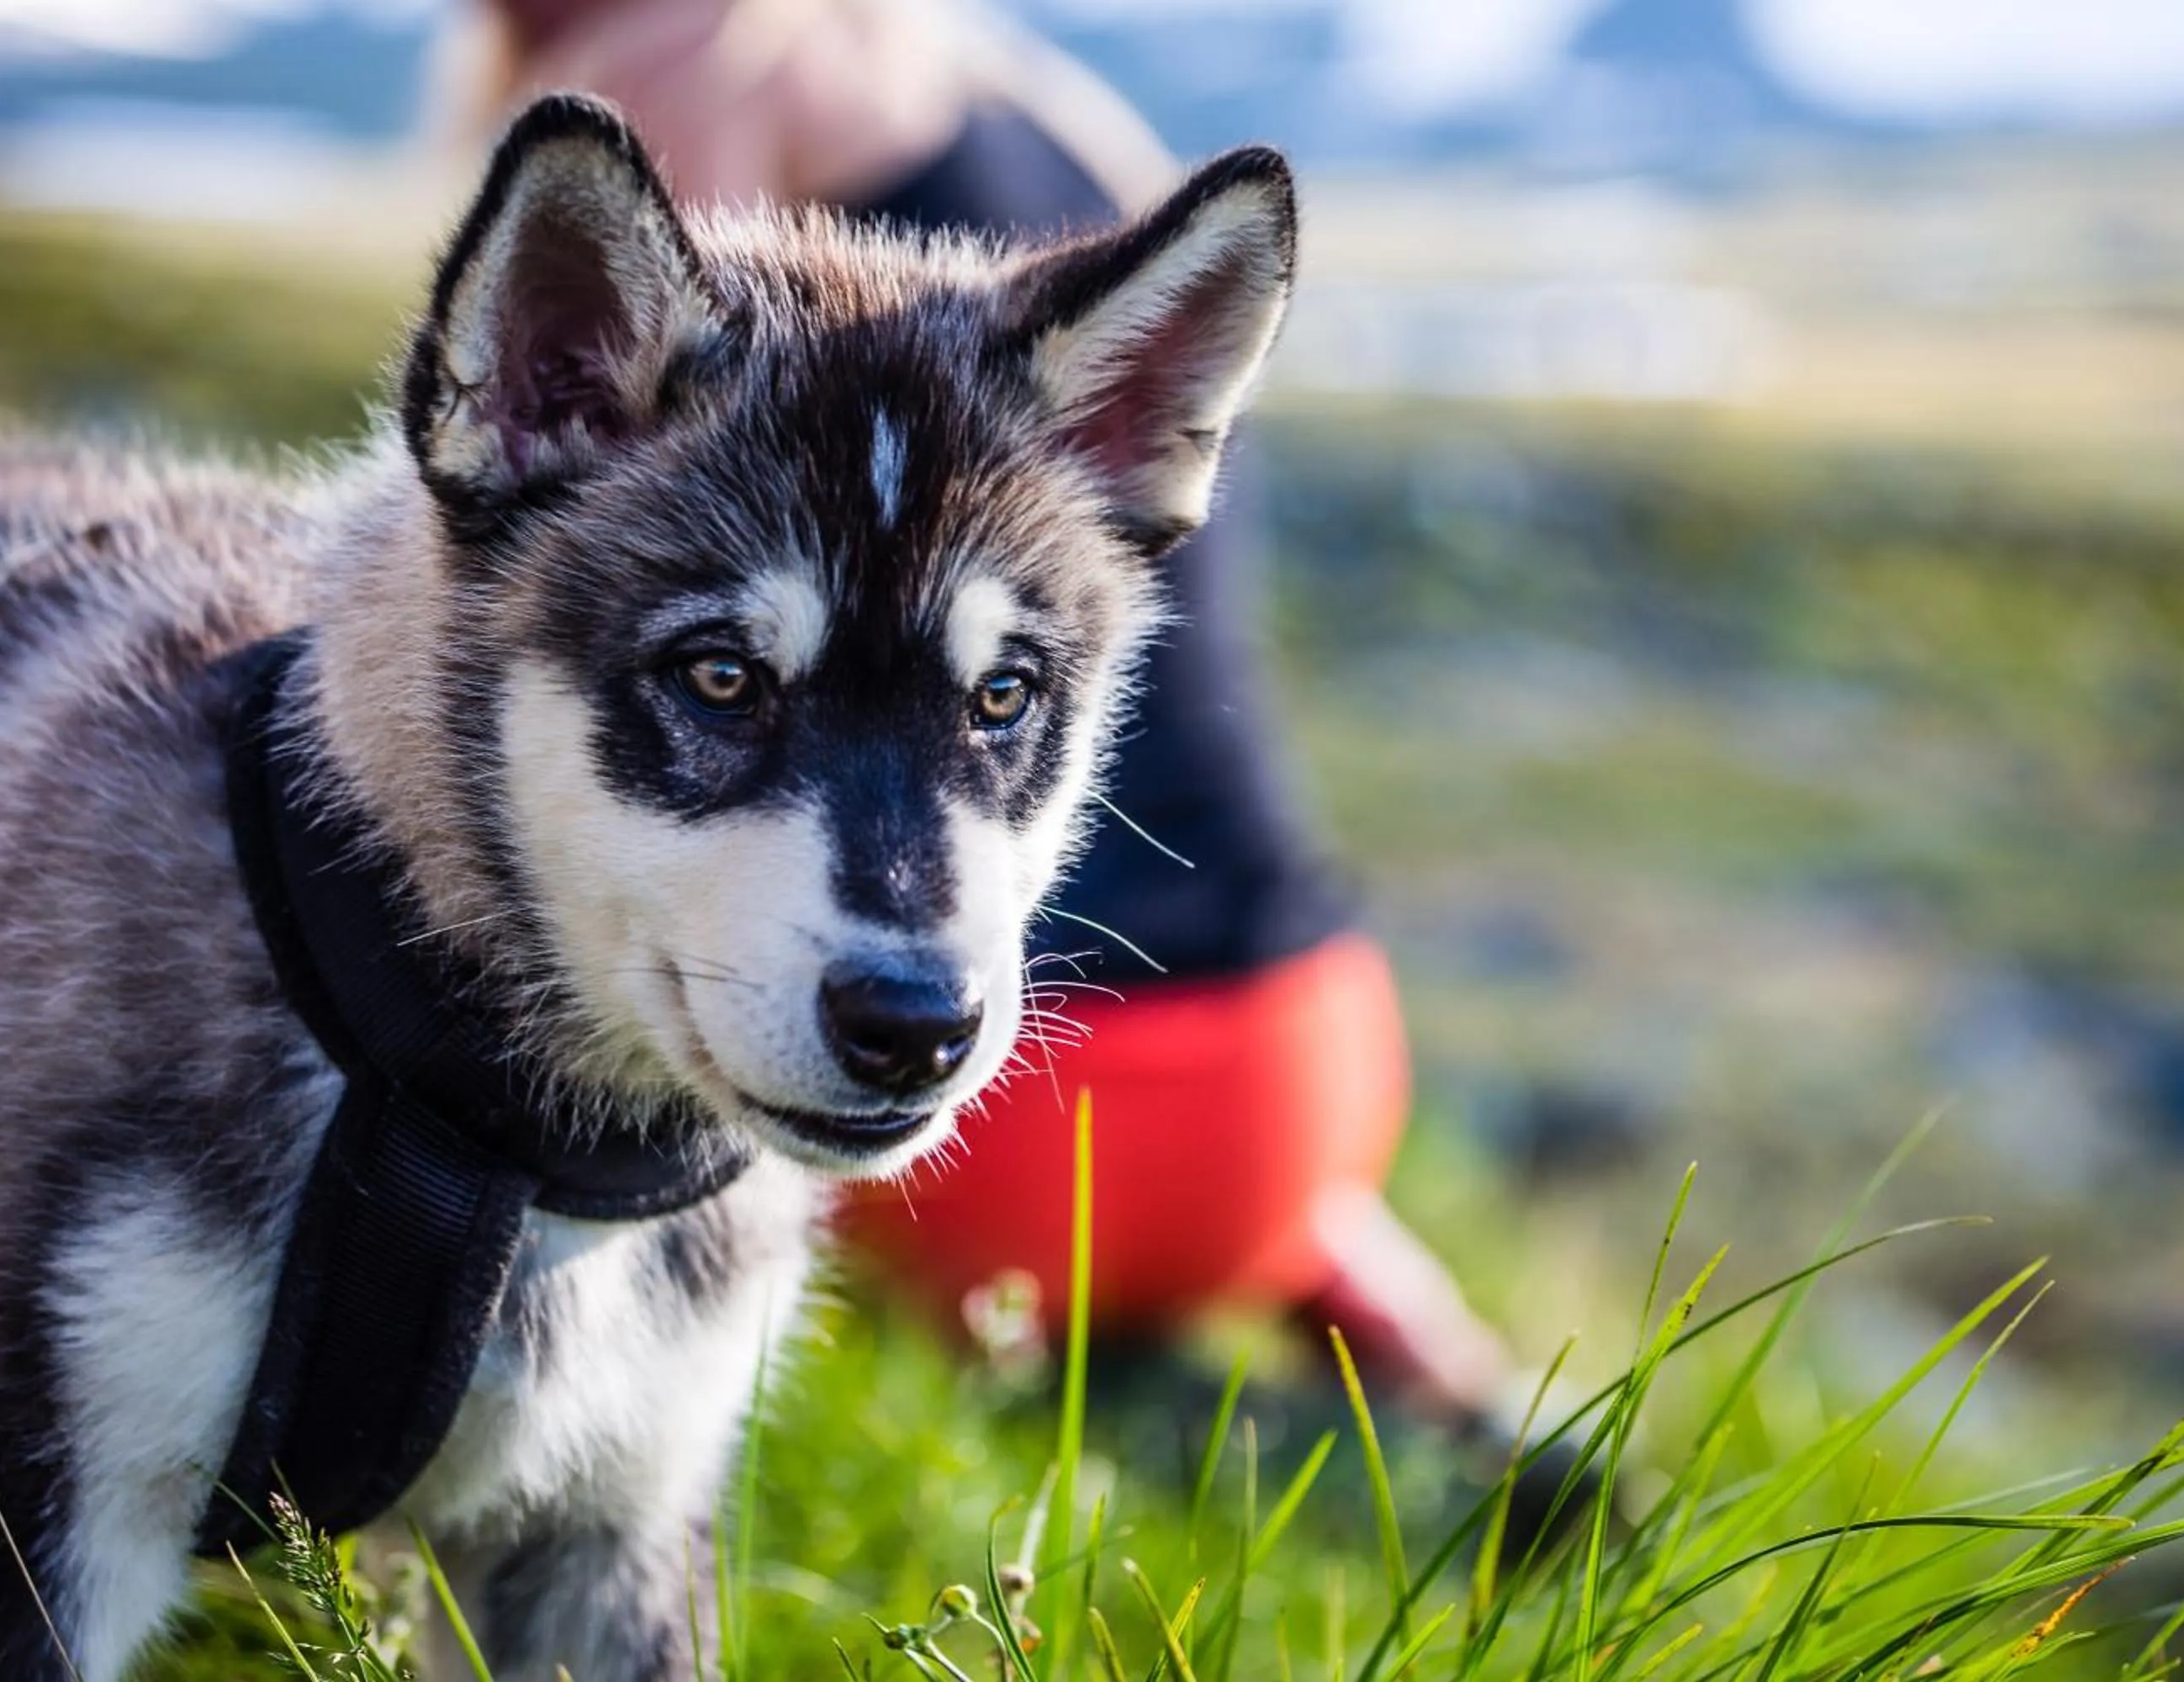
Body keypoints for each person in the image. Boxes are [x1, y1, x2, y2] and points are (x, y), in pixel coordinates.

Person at [460, 0, 1522, 1432]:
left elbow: (603, 494)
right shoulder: (1034, 95)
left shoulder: (683, 59)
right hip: (1305, 1062)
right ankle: (1427, 1371)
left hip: (1028, 1132)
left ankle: (1185, 1421)